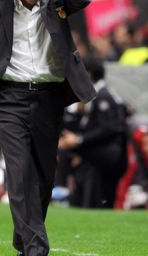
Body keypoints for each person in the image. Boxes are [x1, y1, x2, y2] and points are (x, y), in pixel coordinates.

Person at [0, 0, 96, 256]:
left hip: (49, 96)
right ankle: (35, 248)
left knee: (44, 174)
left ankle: (23, 240)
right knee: (20, 170)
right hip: (7, 98)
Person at [58, 57, 128, 208]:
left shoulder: (103, 96)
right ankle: (70, 193)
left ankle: (61, 188)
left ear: (88, 74)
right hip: (102, 152)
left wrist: (79, 139)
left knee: (66, 147)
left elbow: (109, 128)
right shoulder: (96, 95)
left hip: (109, 153)